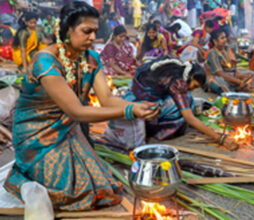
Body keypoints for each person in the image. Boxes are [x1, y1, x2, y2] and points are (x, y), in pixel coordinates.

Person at [4, 1, 160, 211]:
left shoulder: (91, 58)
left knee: (105, 188)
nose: (93, 38)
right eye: (86, 31)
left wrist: (137, 105)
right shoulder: (45, 62)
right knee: (72, 193)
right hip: (36, 134)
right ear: (67, 30)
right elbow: (76, 111)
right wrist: (131, 110)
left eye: (95, 31)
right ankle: (21, 173)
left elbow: (106, 99)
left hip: (68, 128)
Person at [123, 56, 238, 150]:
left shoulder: (179, 66)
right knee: (184, 105)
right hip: (141, 103)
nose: (193, 89)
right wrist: (220, 138)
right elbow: (189, 118)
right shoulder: (178, 83)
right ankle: (156, 128)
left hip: (134, 91)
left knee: (187, 98)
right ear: (191, 76)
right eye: (195, 85)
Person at [205, 28, 254, 94]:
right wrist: (238, 81)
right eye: (222, 38)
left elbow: (233, 66)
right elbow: (220, 73)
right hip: (219, 78)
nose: (225, 40)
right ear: (215, 41)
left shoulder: (227, 48)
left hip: (230, 76)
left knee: (250, 74)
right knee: (220, 83)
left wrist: (237, 73)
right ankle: (236, 88)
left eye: (225, 37)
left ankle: (239, 87)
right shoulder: (212, 53)